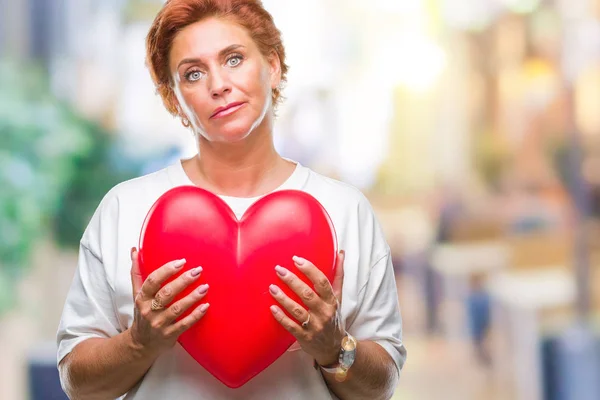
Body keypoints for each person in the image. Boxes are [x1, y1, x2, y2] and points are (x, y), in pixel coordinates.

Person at [56, 1, 406, 399]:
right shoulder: (124, 210)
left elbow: (382, 385)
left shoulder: (346, 212)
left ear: (272, 66)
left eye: (234, 59)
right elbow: (77, 382)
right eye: (193, 73)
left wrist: (333, 347)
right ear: (174, 101)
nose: (218, 84)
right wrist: (140, 341)